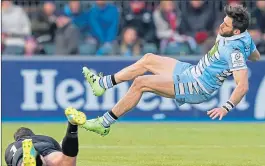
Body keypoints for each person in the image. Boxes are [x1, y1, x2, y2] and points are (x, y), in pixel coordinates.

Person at [70, 4, 260, 136]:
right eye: (223, 21)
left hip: (198, 86)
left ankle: (104, 123)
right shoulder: (243, 38)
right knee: (148, 59)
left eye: (226, 25)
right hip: (191, 71)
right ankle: (102, 84)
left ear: (235, 32)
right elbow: (256, 56)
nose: (221, 25)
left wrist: (225, 107)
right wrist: (247, 52)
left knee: (141, 83)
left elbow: (242, 86)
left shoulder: (234, 50)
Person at [5, 107, 86, 166]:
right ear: (32, 134)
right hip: (46, 147)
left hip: (20, 152)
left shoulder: (11, 147)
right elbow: (62, 150)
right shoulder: (42, 137)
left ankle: (36, 158)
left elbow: (12, 163)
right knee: (66, 165)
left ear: (17, 139)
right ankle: (72, 127)